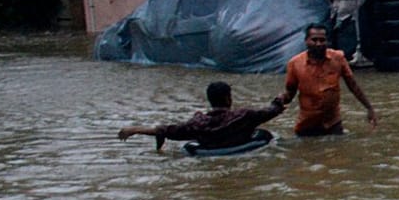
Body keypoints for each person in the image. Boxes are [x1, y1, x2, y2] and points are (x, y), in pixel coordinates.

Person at [119, 81, 285, 152]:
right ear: (228, 98)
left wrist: (135, 129)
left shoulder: (198, 124)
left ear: (210, 100)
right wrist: (279, 99)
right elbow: (271, 111)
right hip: (243, 150)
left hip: (210, 152)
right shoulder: (245, 116)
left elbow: (169, 130)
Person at [277, 23, 379, 137]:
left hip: (333, 124)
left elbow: (353, 85)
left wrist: (369, 108)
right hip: (307, 125)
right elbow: (290, 92)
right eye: (314, 40)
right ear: (306, 41)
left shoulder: (338, 58)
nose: (318, 44)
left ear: (327, 41)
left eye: (322, 40)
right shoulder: (295, 64)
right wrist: (278, 103)